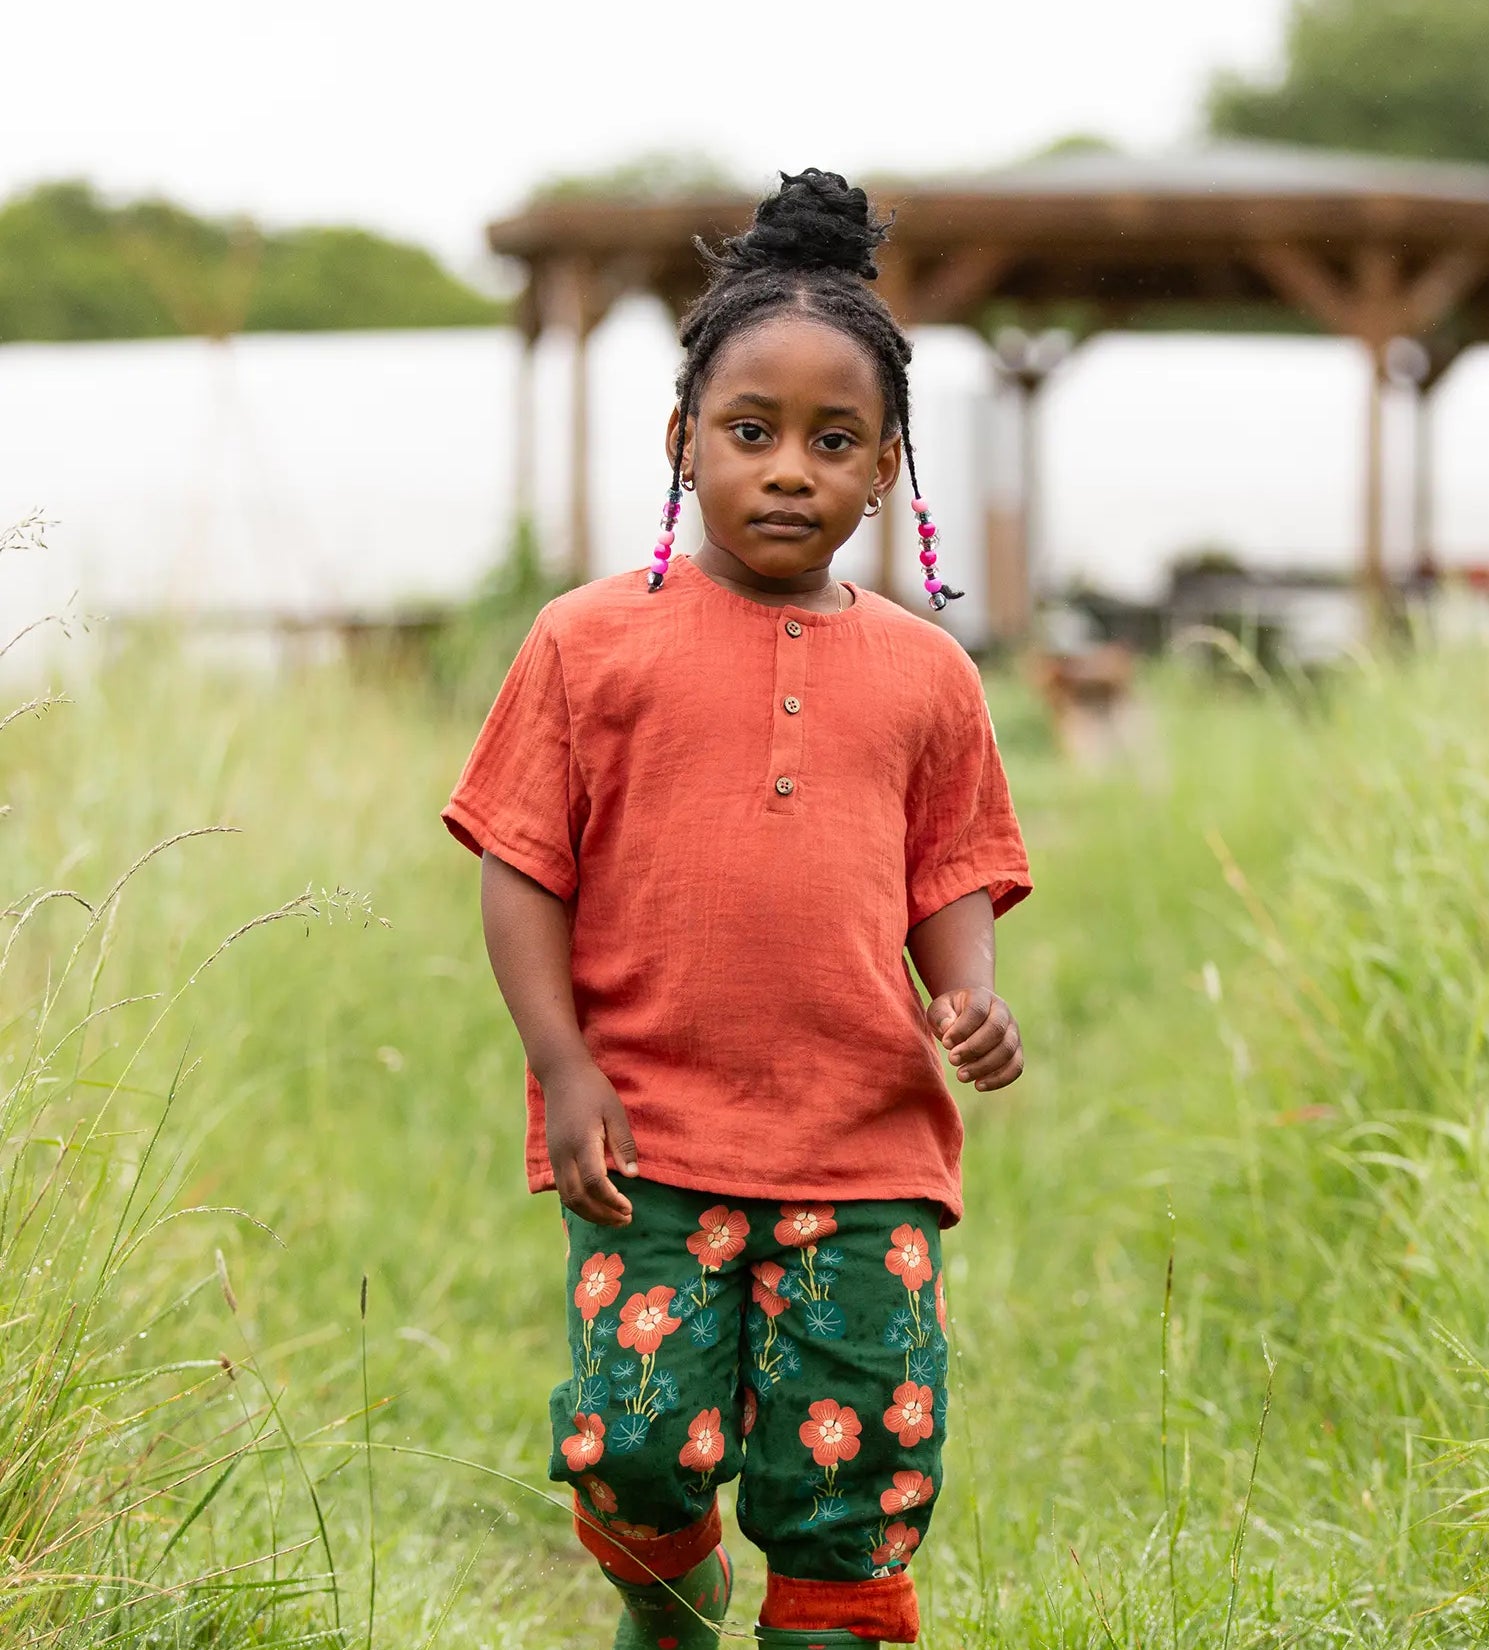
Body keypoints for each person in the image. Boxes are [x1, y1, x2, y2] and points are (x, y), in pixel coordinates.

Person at [443, 167, 1032, 1649]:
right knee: (638, 1442)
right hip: (651, 1132)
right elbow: (524, 863)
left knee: (857, 1457)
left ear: (889, 467)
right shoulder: (589, 645)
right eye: (750, 431)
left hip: (868, 1140)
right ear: (682, 441)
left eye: (834, 442)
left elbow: (950, 868)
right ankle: (670, 1588)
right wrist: (563, 1064)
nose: (789, 469)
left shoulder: (928, 675)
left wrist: (965, 992)